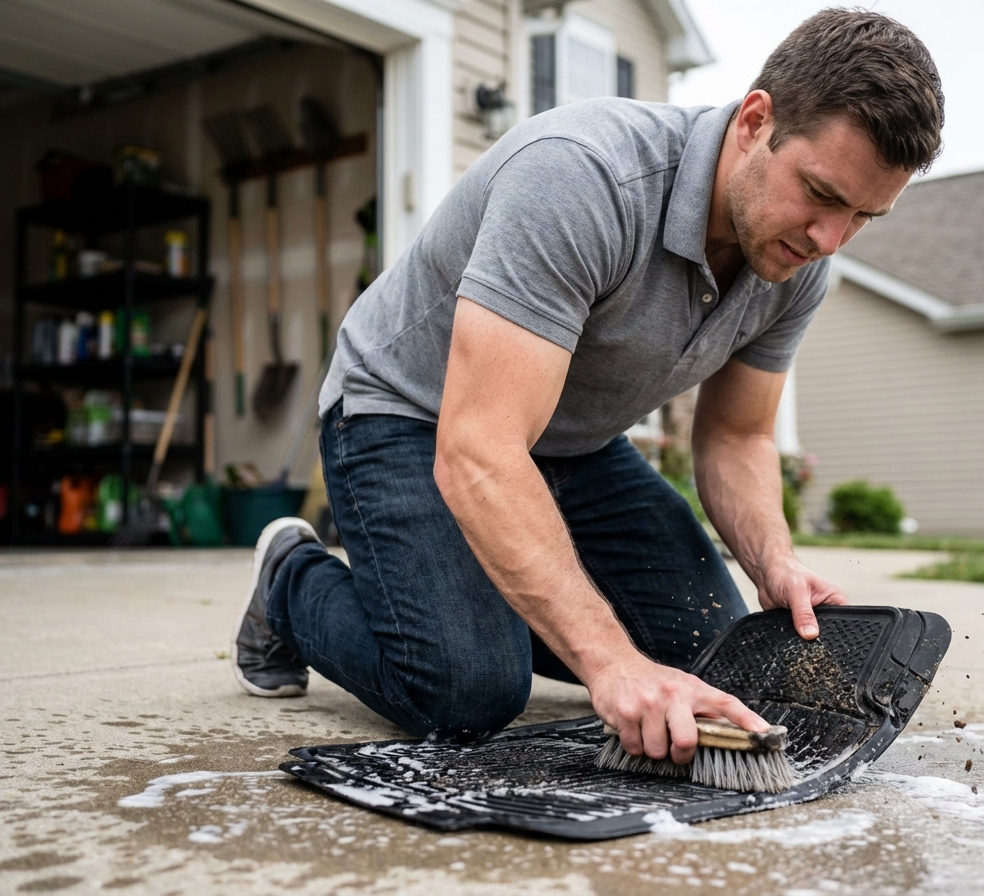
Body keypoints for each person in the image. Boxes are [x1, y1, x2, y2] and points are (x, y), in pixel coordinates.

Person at [230, 8, 944, 768]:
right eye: (821, 194)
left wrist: (775, 562)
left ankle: (485, 594)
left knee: (710, 658)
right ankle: (290, 581)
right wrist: (608, 661)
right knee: (467, 688)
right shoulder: (583, 176)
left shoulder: (794, 261)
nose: (828, 239)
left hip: (571, 444)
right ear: (755, 120)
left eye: (864, 216)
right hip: (408, 414)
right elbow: (479, 448)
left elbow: (738, 435)